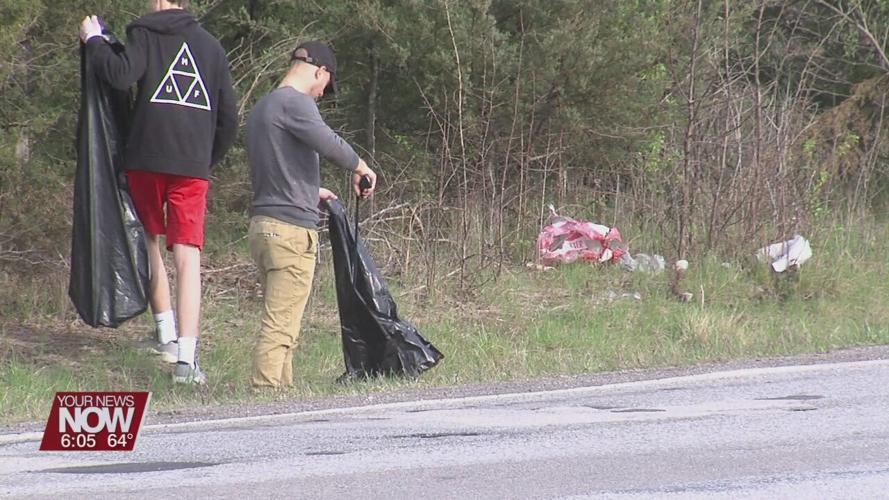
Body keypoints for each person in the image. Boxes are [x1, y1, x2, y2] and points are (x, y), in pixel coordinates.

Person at [79, 0, 237, 384]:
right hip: (191, 167)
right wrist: (203, 159)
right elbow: (229, 119)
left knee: (150, 243)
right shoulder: (211, 46)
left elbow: (119, 75)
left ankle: (165, 333)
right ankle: (186, 360)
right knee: (188, 257)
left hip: (145, 159)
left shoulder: (144, 34)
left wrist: (94, 41)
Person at [246, 41, 376, 388]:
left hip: (263, 225)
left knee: (283, 321)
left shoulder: (264, 107)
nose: (322, 94)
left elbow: (274, 168)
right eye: (325, 86)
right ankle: (265, 395)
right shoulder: (296, 102)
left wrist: (311, 192)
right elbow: (328, 142)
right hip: (290, 232)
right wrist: (360, 165)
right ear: (320, 71)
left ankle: (280, 396)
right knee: (281, 326)